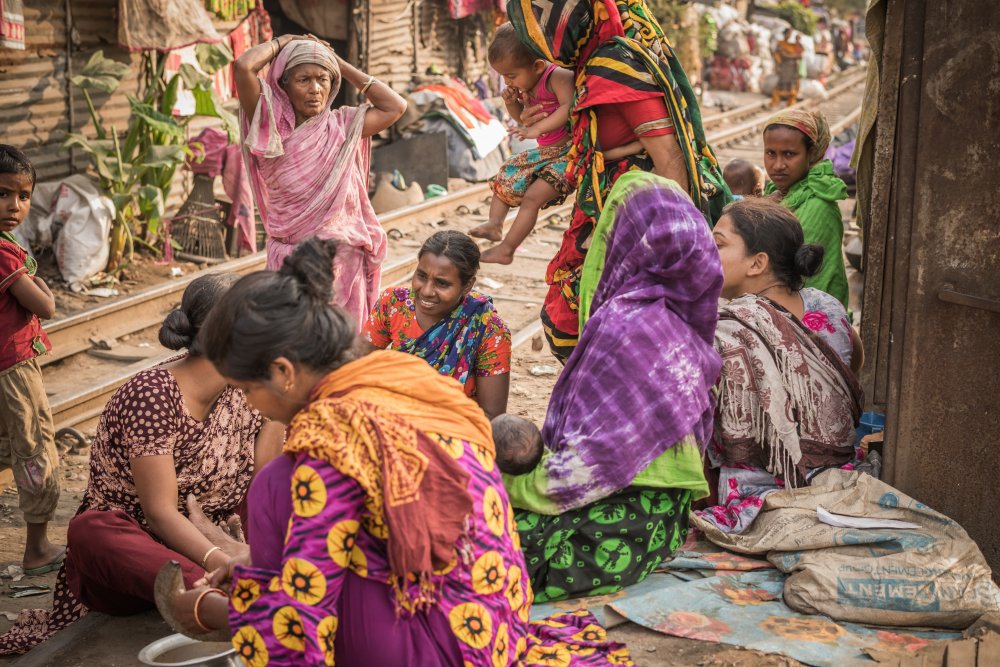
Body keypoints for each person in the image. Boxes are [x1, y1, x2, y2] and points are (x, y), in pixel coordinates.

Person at [161, 239, 633, 666]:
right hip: (496, 631)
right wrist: (251, 567)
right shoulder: (406, 379)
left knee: (275, 489)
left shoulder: (331, 444)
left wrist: (214, 611)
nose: (245, 402)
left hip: (434, 649)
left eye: (245, 389)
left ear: (283, 372)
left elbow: (296, 629)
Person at [0, 273, 285, 655]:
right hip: (140, 562)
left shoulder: (249, 389)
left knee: (276, 492)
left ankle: (248, 587)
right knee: (92, 530)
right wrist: (221, 560)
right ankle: (225, 601)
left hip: (217, 541)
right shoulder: (153, 395)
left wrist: (252, 551)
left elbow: (267, 479)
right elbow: (160, 513)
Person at [505, 174, 721, 601]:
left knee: (491, 539)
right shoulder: (688, 327)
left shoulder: (626, 325)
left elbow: (590, 468)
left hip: (618, 522)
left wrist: (504, 483)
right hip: (663, 527)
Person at [507, 0, 729, 361]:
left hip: (638, 220)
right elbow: (591, 136)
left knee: (595, 326)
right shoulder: (590, 62)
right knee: (581, 319)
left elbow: (670, 161)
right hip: (611, 208)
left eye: (540, 14)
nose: (535, 29)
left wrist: (668, 255)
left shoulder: (614, 65)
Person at [698, 198, 863, 534]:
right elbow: (854, 363)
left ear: (757, 263)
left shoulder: (725, 328)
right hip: (835, 480)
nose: (705, 253)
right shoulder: (826, 305)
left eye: (717, 244)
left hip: (757, 496)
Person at [234, 33, 406, 328]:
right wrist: (281, 42)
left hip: (342, 259)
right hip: (292, 258)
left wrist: (338, 62)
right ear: (283, 84)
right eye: (303, 80)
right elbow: (243, 66)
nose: (315, 89)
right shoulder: (268, 125)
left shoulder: (344, 125)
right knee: (296, 339)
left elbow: (395, 107)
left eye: (323, 79)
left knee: (340, 342)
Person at [360, 230, 511, 418]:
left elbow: (492, 415)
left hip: (451, 429)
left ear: (467, 286)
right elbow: (357, 366)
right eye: (421, 276)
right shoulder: (393, 304)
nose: (426, 291)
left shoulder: (488, 329)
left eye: (442, 284)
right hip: (394, 416)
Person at [0, 146, 64, 578]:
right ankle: (37, 549)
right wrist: (43, 286)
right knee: (35, 448)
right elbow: (45, 306)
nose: (15, 206)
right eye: (4, 194)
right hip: (15, 369)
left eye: (24, 196)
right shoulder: (4, 254)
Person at [470, 23, 576, 265]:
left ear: (537, 66)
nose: (508, 82)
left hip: (569, 153)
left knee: (532, 199)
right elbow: (522, 117)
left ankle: (507, 249)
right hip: (546, 152)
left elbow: (568, 107)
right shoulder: (527, 84)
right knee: (506, 174)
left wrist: (536, 128)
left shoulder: (557, 76)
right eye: (503, 76)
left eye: (511, 76)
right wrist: (512, 104)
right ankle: (495, 224)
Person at [763, 109, 850, 308]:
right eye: (770, 153)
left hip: (810, 317)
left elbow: (802, 277)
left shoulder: (818, 204)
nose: (778, 165)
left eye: (789, 154)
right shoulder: (775, 193)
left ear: (811, 154)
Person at [771, 29, 804, 108]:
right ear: (784, 34)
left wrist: (798, 41)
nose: (789, 35)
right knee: (781, 85)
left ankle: (791, 103)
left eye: (791, 34)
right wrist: (795, 56)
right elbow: (784, 55)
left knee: (793, 86)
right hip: (784, 68)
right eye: (788, 33)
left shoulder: (793, 45)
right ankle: (775, 103)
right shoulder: (781, 44)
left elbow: (800, 53)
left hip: (793, 68)